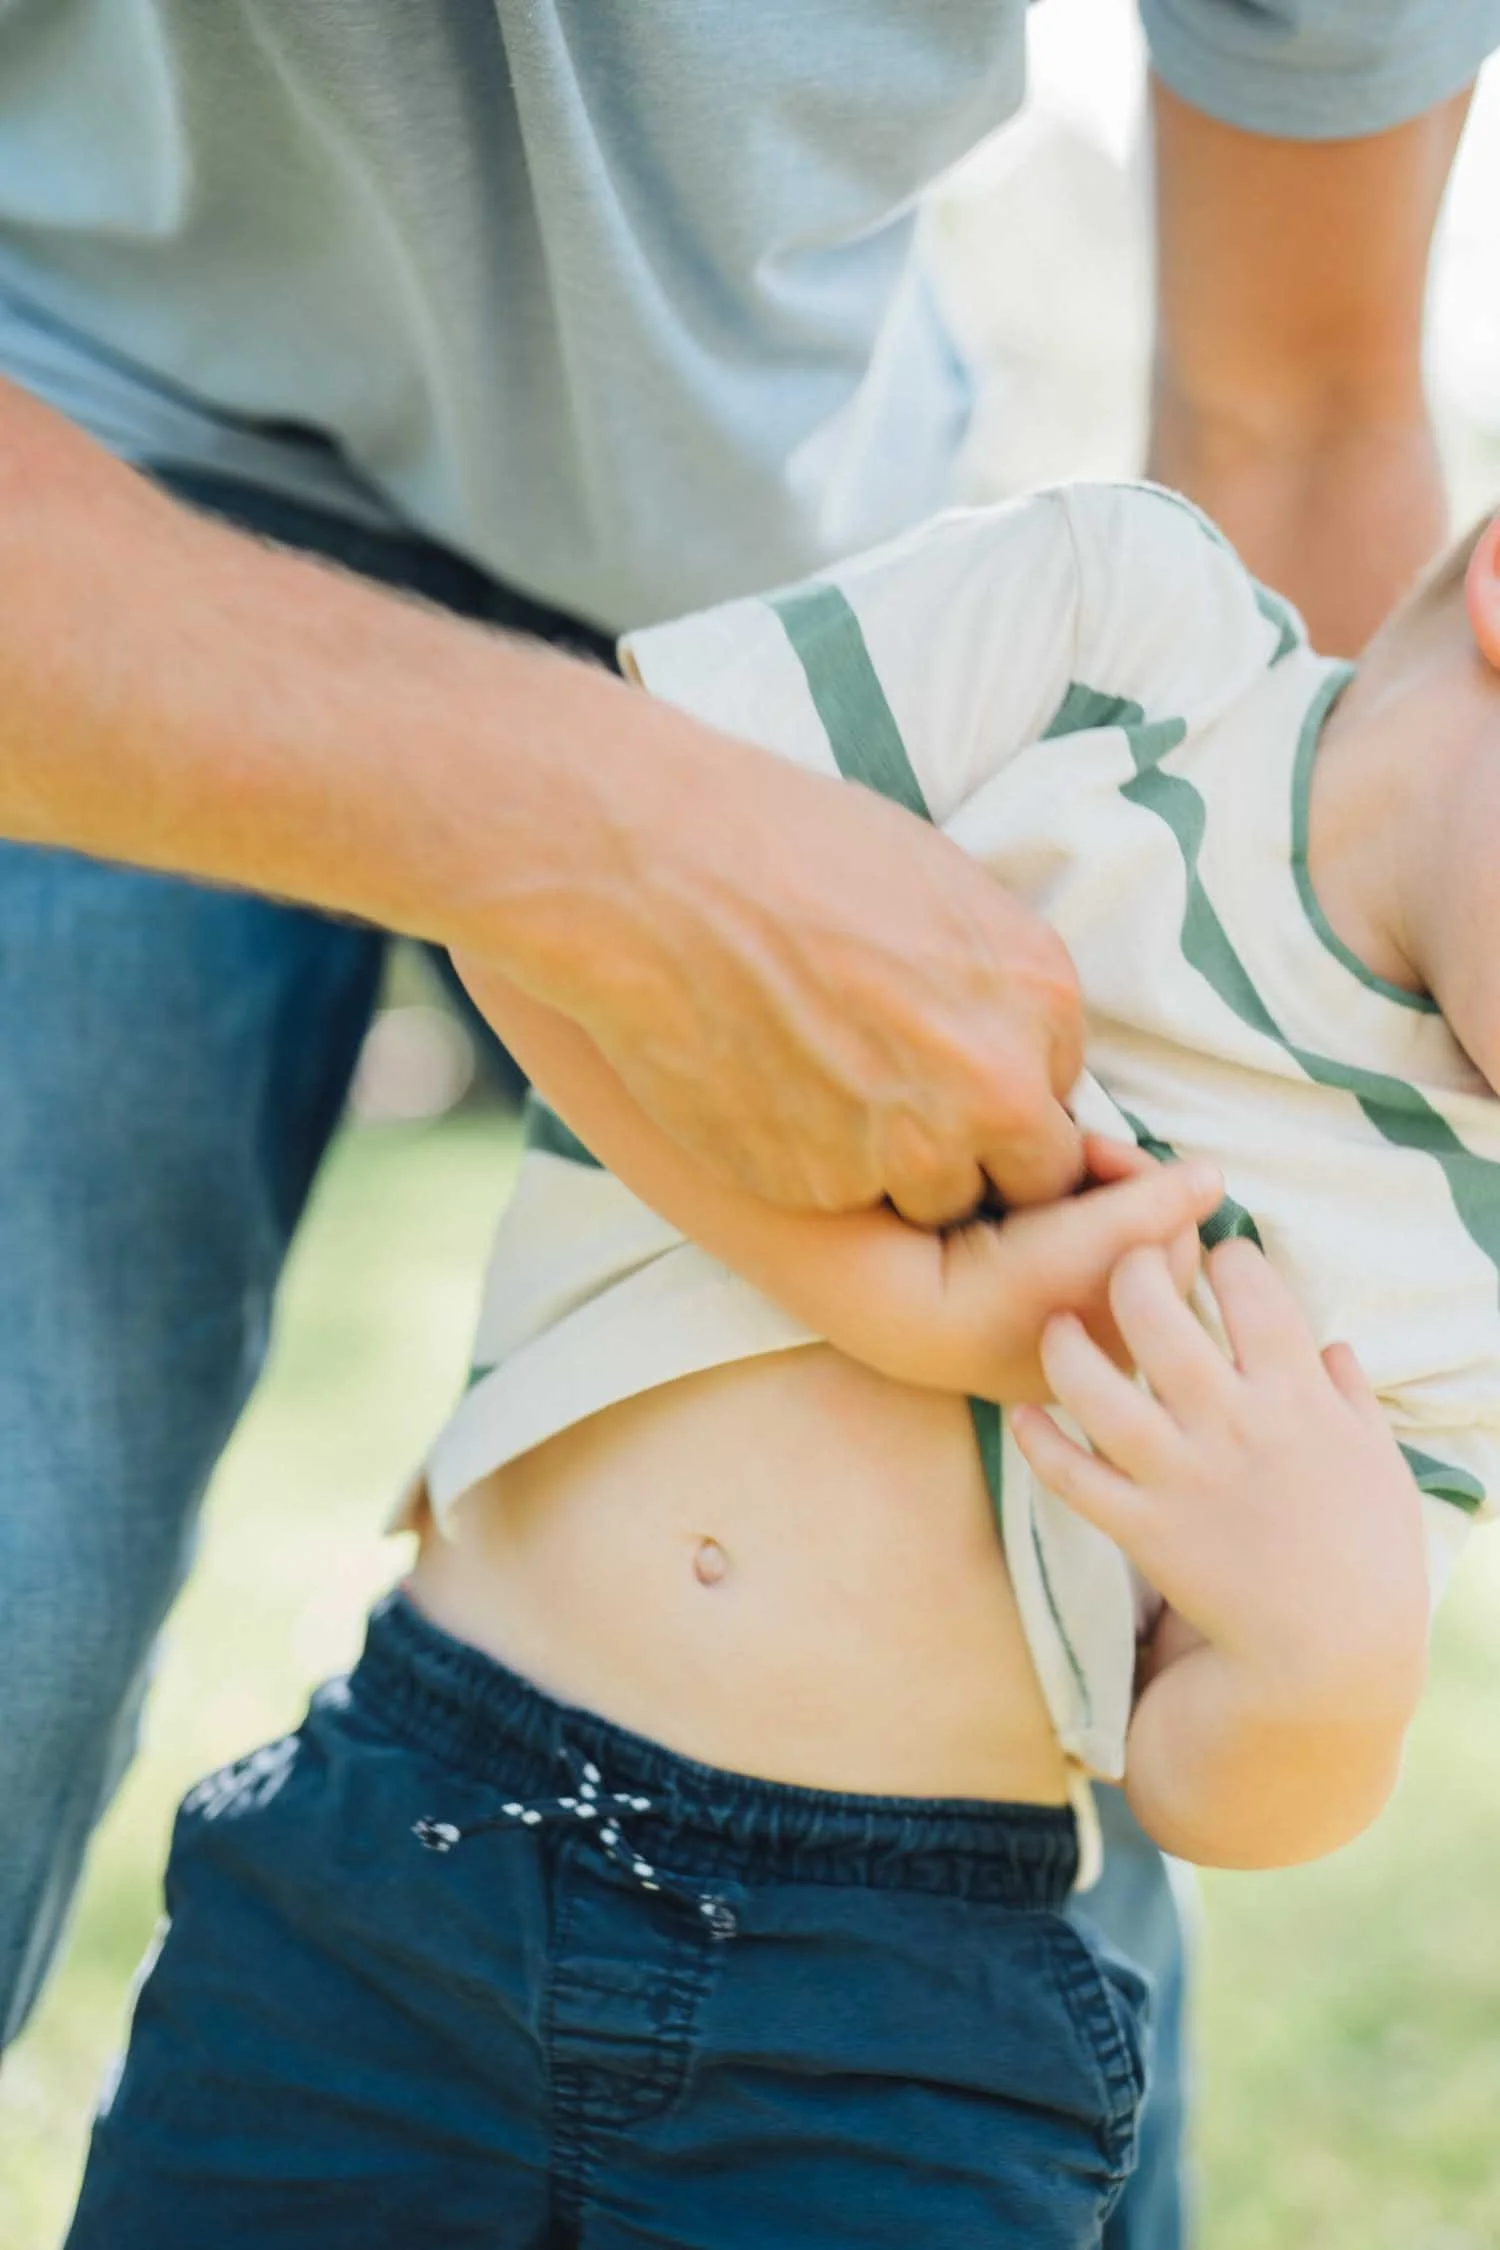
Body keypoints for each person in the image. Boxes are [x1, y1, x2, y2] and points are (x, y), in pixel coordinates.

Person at [0, 9, 1495, 2244]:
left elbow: (1218, 1767)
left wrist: (1331, 1667)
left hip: (919, 2024)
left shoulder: (1471, 1264)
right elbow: (553, 920)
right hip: (405, 1847)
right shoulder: (1116, 631)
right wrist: (910, 1309)